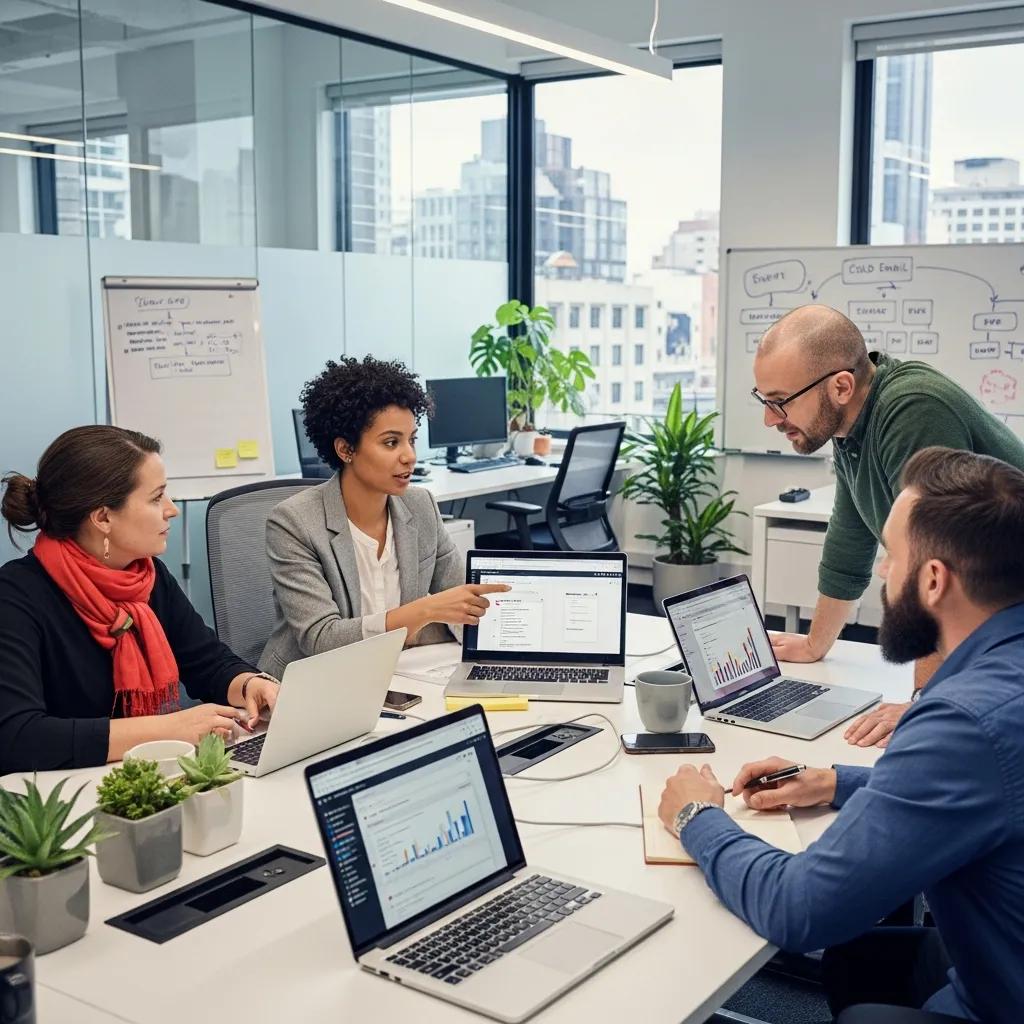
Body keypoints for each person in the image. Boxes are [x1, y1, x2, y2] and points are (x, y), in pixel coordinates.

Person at [657, 447, 1024, 1022]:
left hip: (997, 1000)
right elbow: (984, 790)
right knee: (863, 955)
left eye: (891, 557)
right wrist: (834, 781)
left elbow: (800, 910)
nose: (881, 572)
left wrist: (696, 819)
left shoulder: (966, 719)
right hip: (995, 960)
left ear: (933, 580)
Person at [752, 303, 1024, 746]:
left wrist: (923, 706)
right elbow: (850, 534)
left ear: (841, 386)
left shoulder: (912, 408)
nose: (769, 418)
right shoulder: (849, 422)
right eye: (763, 400)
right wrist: (815, 644)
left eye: (780, 402)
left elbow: (936, 566)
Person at [0, 426, 279, 774]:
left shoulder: (147, 576)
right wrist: (167, 729)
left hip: (145, 779)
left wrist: (252, 685)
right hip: (65, 793)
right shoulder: (16, 596)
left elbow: (207, 662)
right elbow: (18, 736)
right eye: (156, 497)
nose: (171, 509)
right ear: (103, 517)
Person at [259, 356, 507, 676]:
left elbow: (467, 607)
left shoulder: (421, 506)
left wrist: (429, 622)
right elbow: (321, 639)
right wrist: (425, 612)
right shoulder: (293, 523)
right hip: (309, 685)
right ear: (346, 450)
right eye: (391, 442)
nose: (410, 456)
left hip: (394, 674)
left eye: (411, 439)